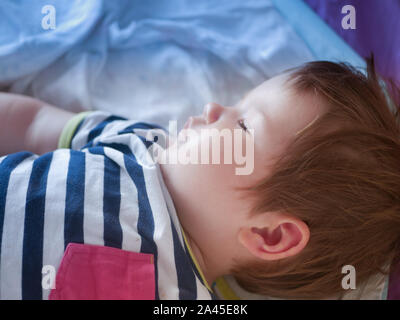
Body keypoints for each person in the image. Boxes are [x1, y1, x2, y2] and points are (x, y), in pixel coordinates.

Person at [0, 57, 399, 300]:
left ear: (270, 235)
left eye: (243, 124)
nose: (212, 108)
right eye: (237, 102)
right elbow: (33, 122)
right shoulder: (142, 141)